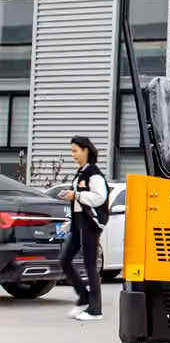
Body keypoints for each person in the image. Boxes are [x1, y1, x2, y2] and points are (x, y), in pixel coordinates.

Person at [59, 136, 109, 321]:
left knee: (90, 264)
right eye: (71, 151)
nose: (73, 155)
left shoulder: (93, 174)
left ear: (85, 150)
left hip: (90, 223)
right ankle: (83, 296)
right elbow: (78, 202)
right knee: (64, 260)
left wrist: (76, 195)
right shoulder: (81, 172)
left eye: (75, 151)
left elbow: (100, 197)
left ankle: (95, 310)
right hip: (78, 222)